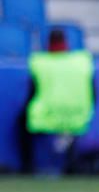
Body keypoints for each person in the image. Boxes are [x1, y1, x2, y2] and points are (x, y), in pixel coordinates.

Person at [18, 29, 95, 175]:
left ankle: (27, 166)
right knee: (71, 132)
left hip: (47, 116)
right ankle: (72, 164)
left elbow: (32, 93)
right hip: (76, 117)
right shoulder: (81, 63)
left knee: (22, 123)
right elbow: (94, 93)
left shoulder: (41, 63)